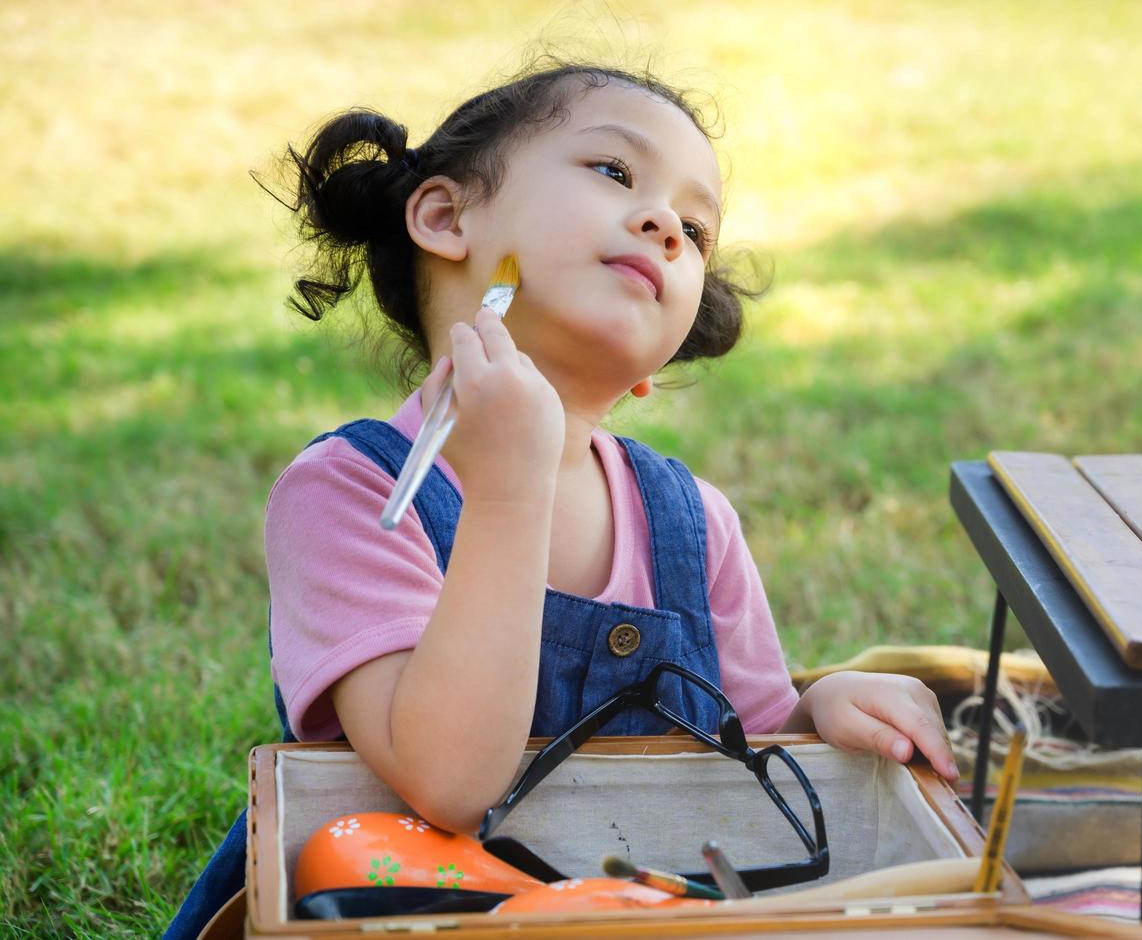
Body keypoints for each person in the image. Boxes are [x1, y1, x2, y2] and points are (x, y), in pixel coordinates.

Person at [165, 59, 957, 937]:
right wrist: (510, 491)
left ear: (657, 365)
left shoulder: (693, 523)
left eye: (695, 230)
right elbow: (450, 784)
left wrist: (825, 708)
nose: (663, 224)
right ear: (445, 216)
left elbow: (746, 761)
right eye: (615, 173)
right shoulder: (351, 492)